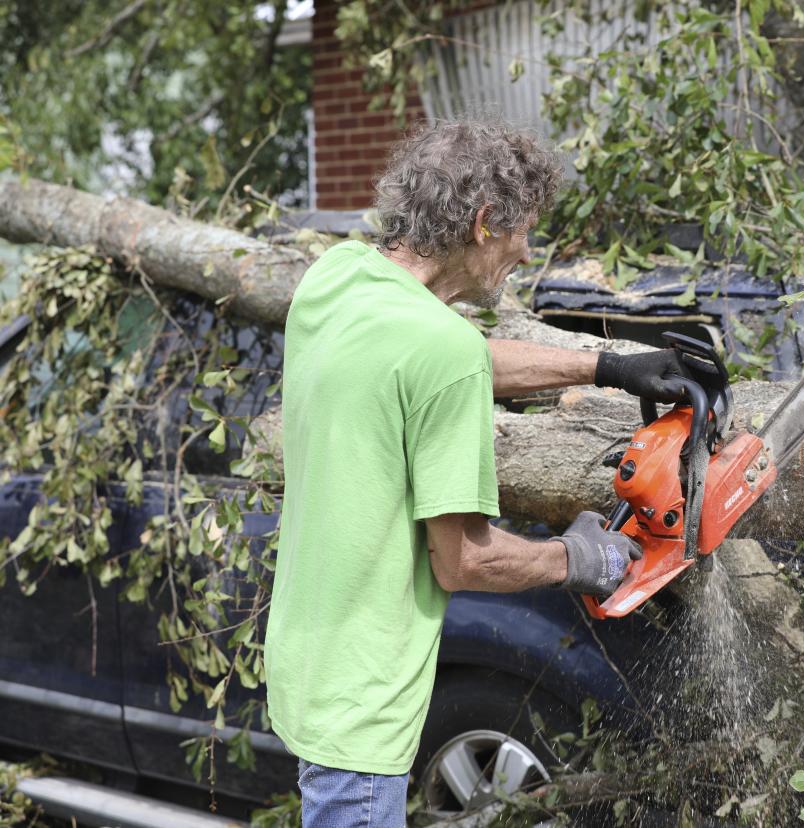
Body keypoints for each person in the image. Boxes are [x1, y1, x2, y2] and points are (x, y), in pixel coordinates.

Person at [263, 120, 692, 827]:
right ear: (486, 223)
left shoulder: (337, 280)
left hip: (309, 666)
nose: (526, 251)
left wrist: (606, 365)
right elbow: (462, 561)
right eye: (524, 232)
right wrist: (580, 557)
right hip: (366, 705)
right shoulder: (440, 348)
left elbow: (442, 359)